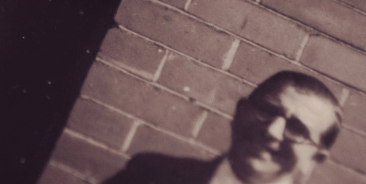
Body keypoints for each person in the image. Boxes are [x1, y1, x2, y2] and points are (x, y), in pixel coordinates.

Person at [100, 71, 341, 184]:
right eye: (266, 111)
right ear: (239, 113)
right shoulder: (151, 175)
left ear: (315, 158)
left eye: (297, 130)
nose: (272, 131)